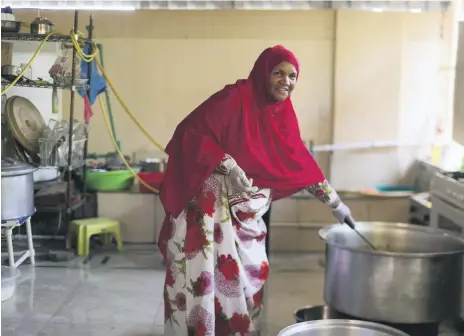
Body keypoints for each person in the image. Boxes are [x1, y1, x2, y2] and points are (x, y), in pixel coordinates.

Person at [158, 45, 354, 336]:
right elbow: (190, 134)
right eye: (278, 73)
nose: (286, 81)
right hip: (208, 214)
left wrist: (336, 204)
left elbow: (300, 161)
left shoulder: (283, 117)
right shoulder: (234, 99)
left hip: (248, 214)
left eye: (293, 76)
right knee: (203, 279)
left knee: (247, 280)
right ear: (264, 73)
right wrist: (228, 166)